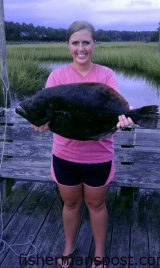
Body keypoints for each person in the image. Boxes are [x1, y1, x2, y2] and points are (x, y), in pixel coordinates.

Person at [32, 21, 134, 268]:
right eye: (75, 42)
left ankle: (99, 252)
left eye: (85, 42)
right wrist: (40, 123)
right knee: (71, 203)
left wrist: (125, 119)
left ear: (94, 45)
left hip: (98, 156)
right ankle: (69, 245)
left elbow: (119, 108)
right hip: (65, 155)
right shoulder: (57, 76)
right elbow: (48, 112)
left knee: (96, 204)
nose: (81, 48)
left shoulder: (106, 75)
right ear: (68, 45)